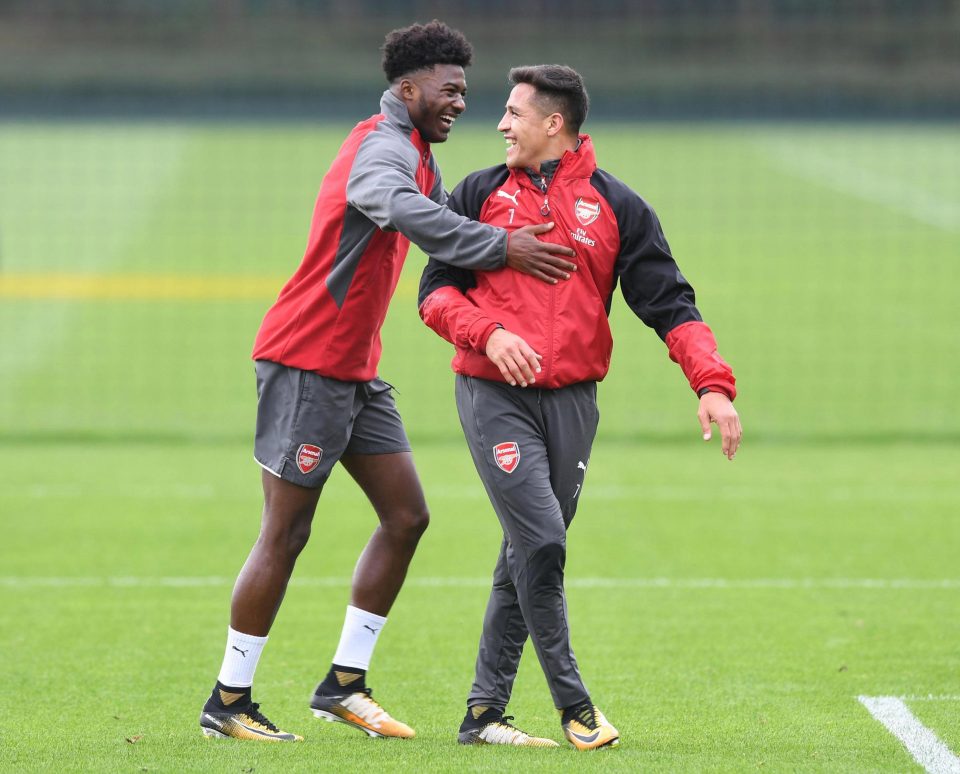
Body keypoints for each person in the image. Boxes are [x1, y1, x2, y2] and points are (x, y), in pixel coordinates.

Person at [198, 23, 579, 743]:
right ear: (409, 88)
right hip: (306, 362)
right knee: (286, 531)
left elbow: (424, 210)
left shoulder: (417, 154)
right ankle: (229, 699)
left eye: (467, 90)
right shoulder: (382, 146)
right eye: (451, 88)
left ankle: (343, 684)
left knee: (407, 517)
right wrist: (501, 248)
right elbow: (392, 202)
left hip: (353, 374)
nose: (462, 102)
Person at [418, 64, 742, 750]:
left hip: (573, 407)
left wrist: (711, 385)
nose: (501, 124)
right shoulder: (477, 192)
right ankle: (576, 708)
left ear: (553, 124)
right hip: (492, 395)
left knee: (525, 556)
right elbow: (434, 294)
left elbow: (670, 303)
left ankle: (483, 715)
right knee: (542, 540)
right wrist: (491, 333)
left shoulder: (617, 206)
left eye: (513, 113)